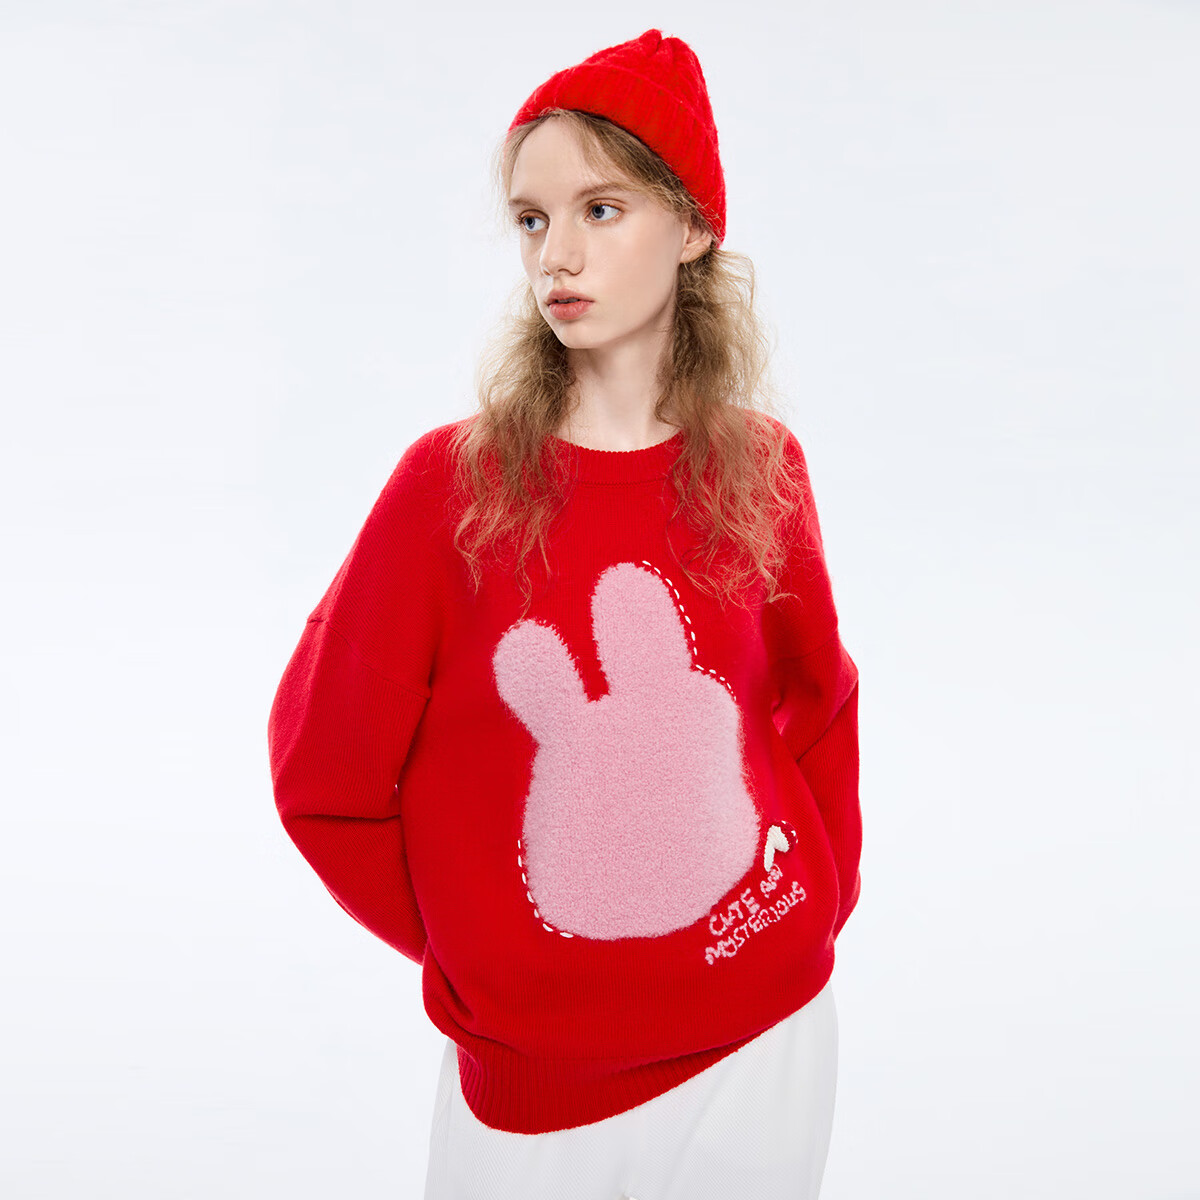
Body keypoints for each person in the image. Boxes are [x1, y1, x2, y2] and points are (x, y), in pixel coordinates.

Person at [267, 27, 862, 1200]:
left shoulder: (763, 467)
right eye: (534, 220)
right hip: (531, 1078)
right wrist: (488, 957)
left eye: (601, 209)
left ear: (692, 228)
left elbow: (818, 698)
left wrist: (818, 898)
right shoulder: (451, 489)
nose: (558, 256)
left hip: (764, 1035)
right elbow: (323, 775)